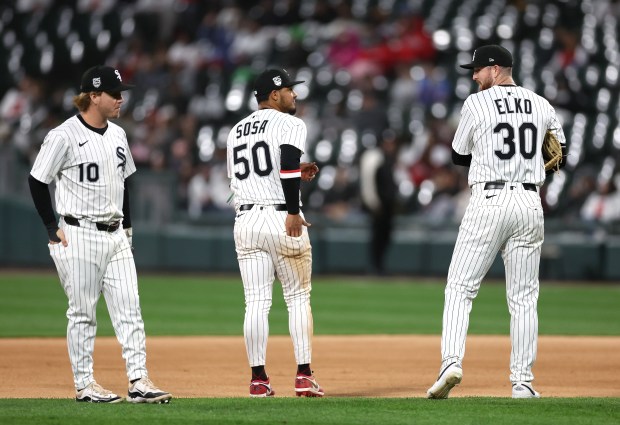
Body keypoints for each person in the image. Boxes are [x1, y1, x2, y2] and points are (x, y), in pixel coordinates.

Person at [426, 45, 567, 399]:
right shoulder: (541, 103)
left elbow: (459, 155)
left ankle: (451, 362)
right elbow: (560, 153)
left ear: (494, 68)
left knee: (460, 288)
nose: (473, 75)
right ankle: (523, 383)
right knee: (524, 298)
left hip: (490, 199)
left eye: (477, 70)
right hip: (530, 201)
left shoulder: (476, 103)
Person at [28, 65, 172, 404]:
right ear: (93, 96)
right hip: (78, 233)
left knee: (130, 309)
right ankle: (85, 385)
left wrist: (129, 228)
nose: (121, 98)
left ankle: (139, 380)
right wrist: (52, 227)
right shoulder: (63, 135)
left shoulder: (119, 134)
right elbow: (37, 180)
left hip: (116, 234)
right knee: (82, 313)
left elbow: (124, 184)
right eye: (115, 93)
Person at [226, 68, 324, 398]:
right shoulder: (291, 123)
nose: (294, 94)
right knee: (297, 298)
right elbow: (285, 163)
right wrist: (294, 210)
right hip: (281, 216)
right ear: (273, 95)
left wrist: (298, 170)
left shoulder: (236, 131)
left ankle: (258, 379)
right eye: (289, 90)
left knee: (255, 302)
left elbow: (244, 178)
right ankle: (304, 376)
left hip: (246, 220)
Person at [359, 130, 399, 275]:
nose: (391, 146)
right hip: (378, 207)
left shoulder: (389, 158)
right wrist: (373, 203)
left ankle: (380, 265)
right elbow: (368, 184)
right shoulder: (374, 157)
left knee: (385, 236)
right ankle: (375, 266)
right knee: (377, 236)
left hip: (387, 206)